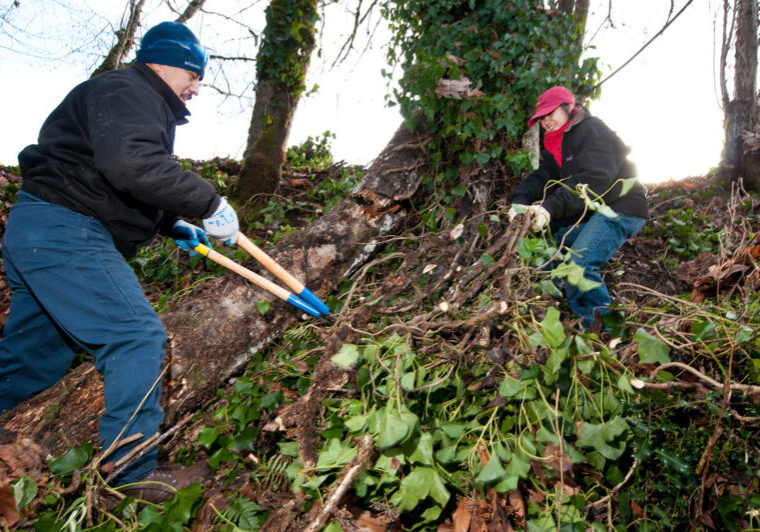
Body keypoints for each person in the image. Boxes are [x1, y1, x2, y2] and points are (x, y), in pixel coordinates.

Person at [0, 21, 239, 500]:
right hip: (65, 230)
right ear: (166, 64)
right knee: (135, 337)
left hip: (40, 229)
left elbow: (113, 179)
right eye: (194, 75)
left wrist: (171, 222)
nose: (196, 87)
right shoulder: (128, 90)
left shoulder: (128, 96)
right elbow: (133, 164)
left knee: (30, 359)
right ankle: (131, 475)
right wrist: (208, 203)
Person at [509, 86, 648, 329]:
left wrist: (549, 208)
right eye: (541, 118)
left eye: (550, 113)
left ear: (567, 107)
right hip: (596, 211)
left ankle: (601, 332)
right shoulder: (559, 144)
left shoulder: (592, 130)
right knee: (549, 240)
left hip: (621, 209)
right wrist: (519, 201)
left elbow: (594, 179)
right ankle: (548, 303)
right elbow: (545, 175)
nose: (546, 121)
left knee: (579, 267)